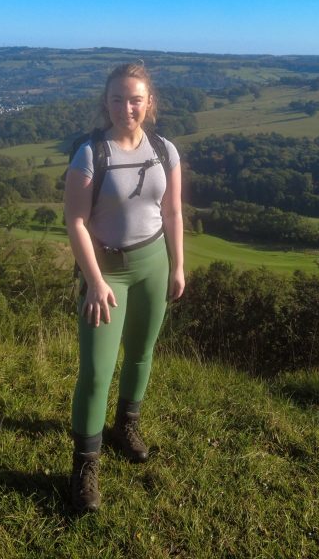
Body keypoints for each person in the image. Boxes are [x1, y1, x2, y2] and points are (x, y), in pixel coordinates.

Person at [63, 62, 185, 513]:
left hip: (153, 263)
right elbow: (75, 221)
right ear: (106, 102)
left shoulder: (164, 150)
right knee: (96, 372)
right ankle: (84, 466)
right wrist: (94, 281)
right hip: (107, 271)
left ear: (149, 103)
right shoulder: (91, 153)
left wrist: (178, 266)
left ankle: (125, 426)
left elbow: (172, 213)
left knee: (140, 353)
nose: (125, 108)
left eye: (135, 99)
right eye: (117, 99)